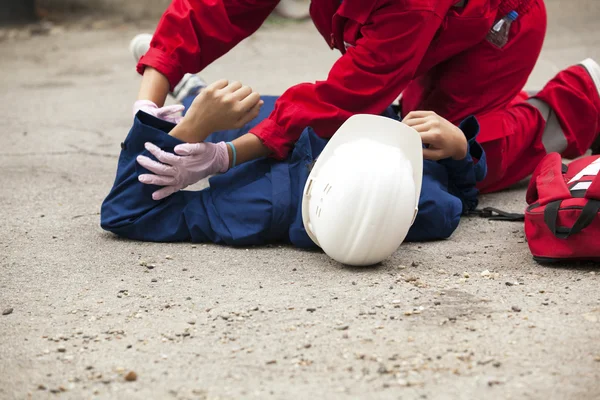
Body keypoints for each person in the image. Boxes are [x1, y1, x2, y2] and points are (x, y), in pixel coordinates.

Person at [132, 0, 600, 195]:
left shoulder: (410, 6)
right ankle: (194, 97)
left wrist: (224, 155)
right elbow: (218, 7)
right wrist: (147, 100)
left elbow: (344, 100)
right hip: (429, 31)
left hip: (497, 30)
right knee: (389, 126)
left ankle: (575, 102)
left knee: (445, 156)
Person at [101, 82, 486, 255]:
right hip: (299, 112)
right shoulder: (430, 206)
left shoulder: (254, 210)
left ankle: (189, 96)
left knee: (226, 106)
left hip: (238, 126)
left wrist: (188, 130)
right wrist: (457, 149)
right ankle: (193, 95)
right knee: (270, 104)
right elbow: (464, 197)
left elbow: (126, 214)